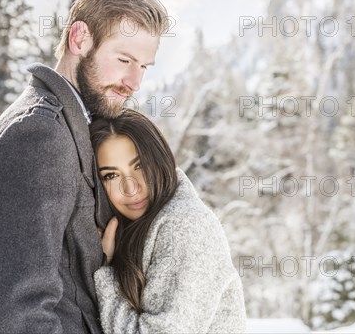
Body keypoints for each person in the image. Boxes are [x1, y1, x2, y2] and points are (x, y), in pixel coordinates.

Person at [0, 0, 169, 334]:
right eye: (124, 59)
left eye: (143, 66)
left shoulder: (75, 127)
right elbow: (20, 314)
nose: (134, 81)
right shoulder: (39, 134)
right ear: (80, 39)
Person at [89, 109, 246, 334]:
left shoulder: (185, 226)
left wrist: (106, 271)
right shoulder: (139, 227)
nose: (131, 188)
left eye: (139, 166)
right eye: (111, 175)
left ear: (160, 159)